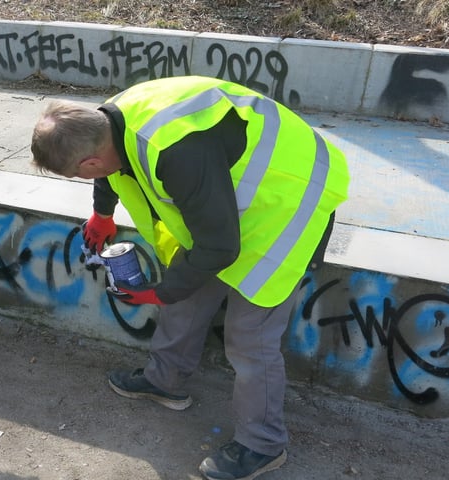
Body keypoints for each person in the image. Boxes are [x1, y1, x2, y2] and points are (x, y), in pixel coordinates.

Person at [30, 76, 349, 480]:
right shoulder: (106, 121)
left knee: (250, 337)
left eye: (79, 174)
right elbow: (111, 170)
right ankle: (165, 380)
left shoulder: (173, 149)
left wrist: (160, 293)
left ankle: (263, 445)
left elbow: (220, 246)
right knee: (188, 287)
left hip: (289, 199)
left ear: (91, 161)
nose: (89, 177)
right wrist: (103, 212)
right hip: (230, 199)